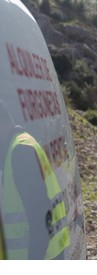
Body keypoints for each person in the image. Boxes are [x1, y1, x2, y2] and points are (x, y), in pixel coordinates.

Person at [0, 102, 70, 259]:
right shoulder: (22, 143)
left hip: (39, 255)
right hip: (52, 249)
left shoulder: (21, 152)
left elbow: (39, 216)